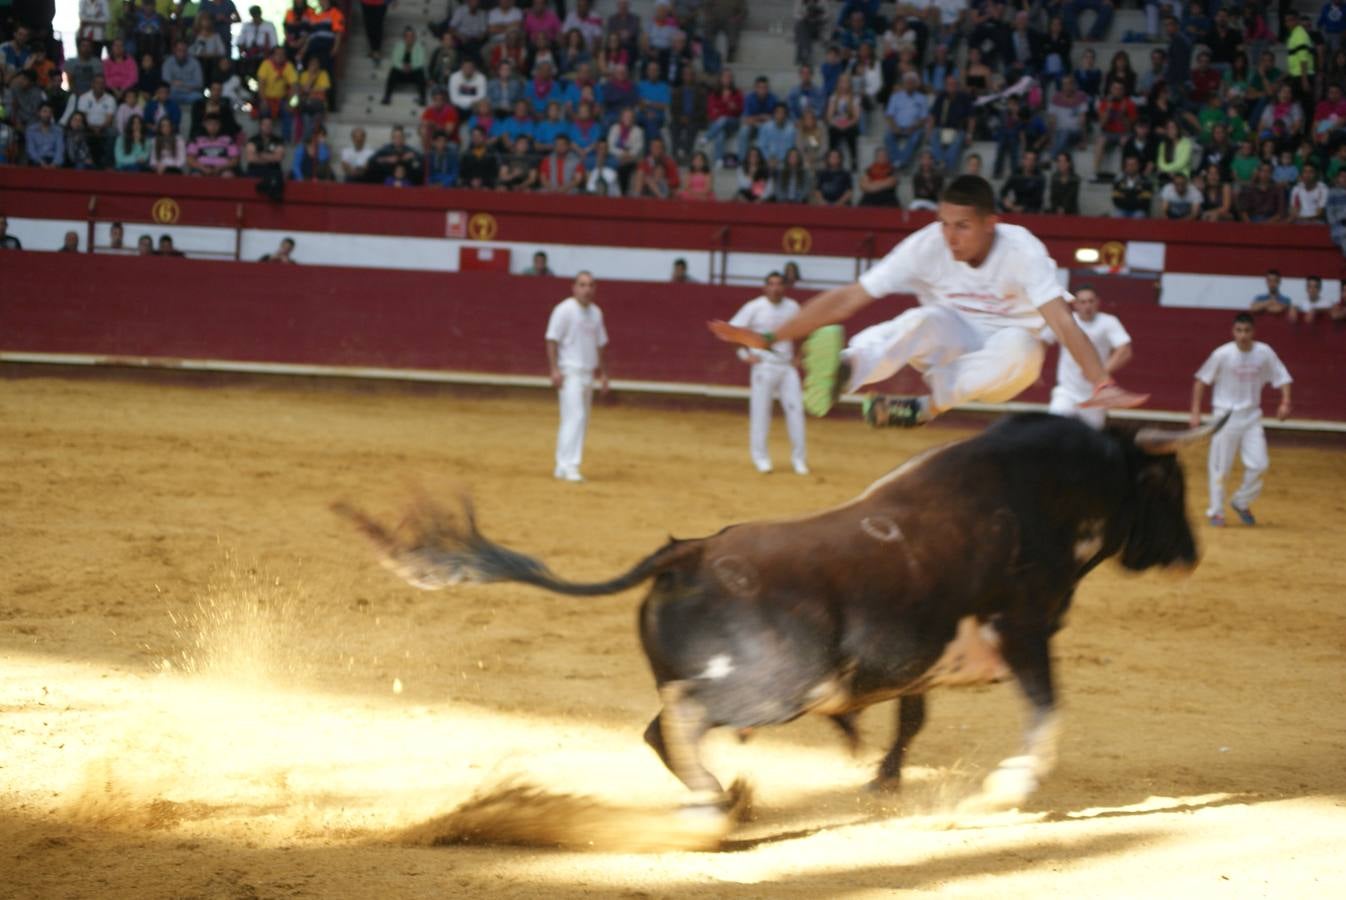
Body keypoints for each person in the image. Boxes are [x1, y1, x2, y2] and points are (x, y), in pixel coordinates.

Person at [709, 175, 1147, 428]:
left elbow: (1064, 323)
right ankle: (844, 370)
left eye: (962, 226)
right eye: (944, 223)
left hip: (1006, 363)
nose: (950, 237)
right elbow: (848, 298)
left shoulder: (1023, 250)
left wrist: (1101, 383)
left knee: (1022, 347)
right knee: (922, 319)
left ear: (991, 224)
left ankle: (926, 406)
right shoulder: (926, 245)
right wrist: (771, 337)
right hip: (950, 339)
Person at [1191, 313, 1292, 527]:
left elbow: (1282, 376)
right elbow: (1201, 381)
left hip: (1252, 416)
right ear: (1233, 331)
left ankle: (1241, 501)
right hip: (1225, 416)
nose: (1243, 335)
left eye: (1247, 331)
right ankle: (1216, 511)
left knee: (1259, 464)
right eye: (1239, 330)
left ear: (1253, 332)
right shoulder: (1222, 354)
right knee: (1220, 467)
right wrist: (1195, 412)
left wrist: (1285, 401)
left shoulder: (1264, 352)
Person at [728, 271, 809, 475]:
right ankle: (761, 458)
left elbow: (804, 331)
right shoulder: (754, 307)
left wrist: (799, 356)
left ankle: (799, 460)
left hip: (786, 366)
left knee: (796, 411)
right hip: (764, 366)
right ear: (765, 287)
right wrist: (743, 355)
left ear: (785, 287)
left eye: (779, 284)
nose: (775, 288)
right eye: (771, 284)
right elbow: (732, 330)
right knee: (760, 413)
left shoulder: (792, 307)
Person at [545, 271, 609, 482]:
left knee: (576, 420)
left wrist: (602, 373)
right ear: (573, 287)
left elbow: (600, 344)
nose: (586, 289)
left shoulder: (596, 313)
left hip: (587, 372)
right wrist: (554, 369)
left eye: (590, 285)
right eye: (582, 285)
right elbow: (552, 339)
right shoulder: (564, 310)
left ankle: (561, 466)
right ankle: (570, 465)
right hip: (569, 372)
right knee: (576, 417)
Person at [1047, 285, 1132, 429]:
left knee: (1091, 436)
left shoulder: (1108, 322)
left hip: (1095, 394)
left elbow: (1125, 350)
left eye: (1091, 301)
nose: (1087, 306)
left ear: (1098, 302)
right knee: (1053, 427)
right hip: (1067, 391)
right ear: (1075, 304)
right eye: (1083, 302)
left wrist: (1100, 372)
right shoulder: (1066, 320)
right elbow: (1043, 340)